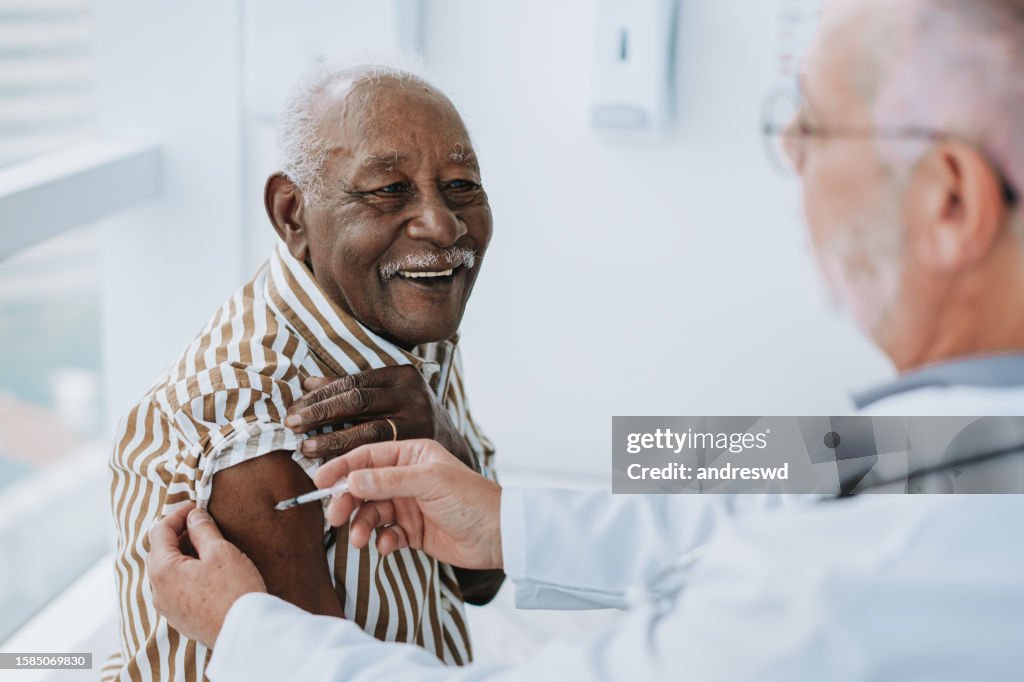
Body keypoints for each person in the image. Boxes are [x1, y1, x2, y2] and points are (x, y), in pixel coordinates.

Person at [147, 0, 1024, 679]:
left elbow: (795, 522)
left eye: (812, 129)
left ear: (950, 200)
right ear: (290, 214)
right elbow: (780, 478)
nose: (791, 156)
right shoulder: (948, 438)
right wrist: (506, 520)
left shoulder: (850, 579)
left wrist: (246, 630)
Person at [105, 63, 503, 682]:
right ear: (292, 213)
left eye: (461, 184)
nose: (442, 224)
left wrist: (450, 450)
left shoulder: (406, 320)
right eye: (389, 189)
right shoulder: (252, 410)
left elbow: (483, 578)